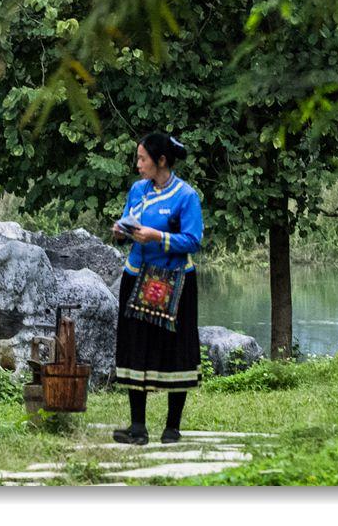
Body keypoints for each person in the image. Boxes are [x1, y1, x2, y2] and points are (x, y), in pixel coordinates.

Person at [110, 131, 204, 445]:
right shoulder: (138, 190)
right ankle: (138, 427)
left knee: (174, 349)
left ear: (161, 161)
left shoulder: (186, 196)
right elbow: (128, 220)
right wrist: (121, 231)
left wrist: (157, 237)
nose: (137, 165)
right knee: (136, 346)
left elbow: (193, 240)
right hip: (137, 277)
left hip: (174, 281)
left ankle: (172, 428)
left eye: (142, 159)